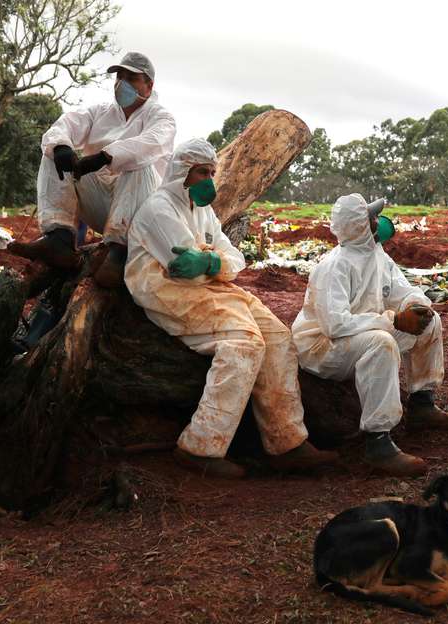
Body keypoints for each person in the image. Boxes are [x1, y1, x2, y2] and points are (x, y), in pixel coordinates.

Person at [125, 138, 337, 478]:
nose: (209, 179)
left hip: (211, 286)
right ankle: (200, 447)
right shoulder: (159, 208)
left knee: (278, 338)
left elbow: (236, 260)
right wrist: (214, 261)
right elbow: (186, 273)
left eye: (211, 172)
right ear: (182, 171)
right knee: (244, 343)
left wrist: (209, 259)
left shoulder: (204, 211)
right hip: (164, 290)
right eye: (201, 172)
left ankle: (286, 442)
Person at [292, 193, 448, 477]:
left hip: (360, 333)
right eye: (373, 218)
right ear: (360, 225)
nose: (380, 222)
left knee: (429, 322)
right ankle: (378, 443)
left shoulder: (377, 255)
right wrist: (394, 321)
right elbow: (335, 326)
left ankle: (422, 404)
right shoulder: (334, 266)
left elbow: (402, 290)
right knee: (382, 342)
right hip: (322, 348)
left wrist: (415, 306)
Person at [9, 52, 176, 288]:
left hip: (142, 215)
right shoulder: (99, 112)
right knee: (53, 152)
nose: (122, 84)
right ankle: (59, 239)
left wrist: (106, 156)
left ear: (149, 86)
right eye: (119, 76)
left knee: (140, 163)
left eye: (131, 78)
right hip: (104, 207)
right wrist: (62, 147)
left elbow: (152, 143)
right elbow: (63, 126)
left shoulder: (161, 117)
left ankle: (117, 253)